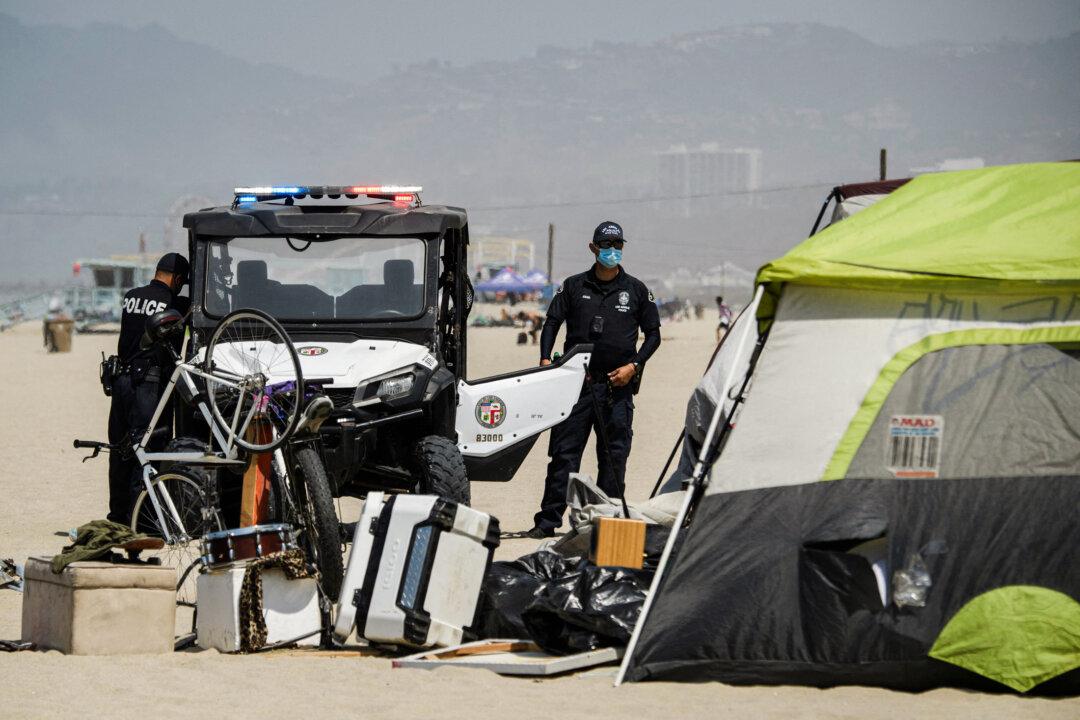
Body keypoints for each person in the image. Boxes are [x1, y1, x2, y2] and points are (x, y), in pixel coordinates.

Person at [528, 221, 661, 538]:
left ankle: (608, 522)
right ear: (593, 248)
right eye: (606, 246)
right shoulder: (573, 286)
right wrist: (547, 361)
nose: (612, 252)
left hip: (618, 386)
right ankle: (547, 522)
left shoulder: (637, 291)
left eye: (617, 246)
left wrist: (635, 365)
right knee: (564, 454)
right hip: (576, 384)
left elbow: (654, 335)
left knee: (614, 456)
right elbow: (551, 323)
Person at [106, 253, 191, 523]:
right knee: (146, 450)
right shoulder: (175, 304)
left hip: (120, 382)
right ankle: (142, 521)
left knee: (120, 451)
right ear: (177, 280)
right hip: (149, 387)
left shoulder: (132, 296)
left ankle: (118, 517)